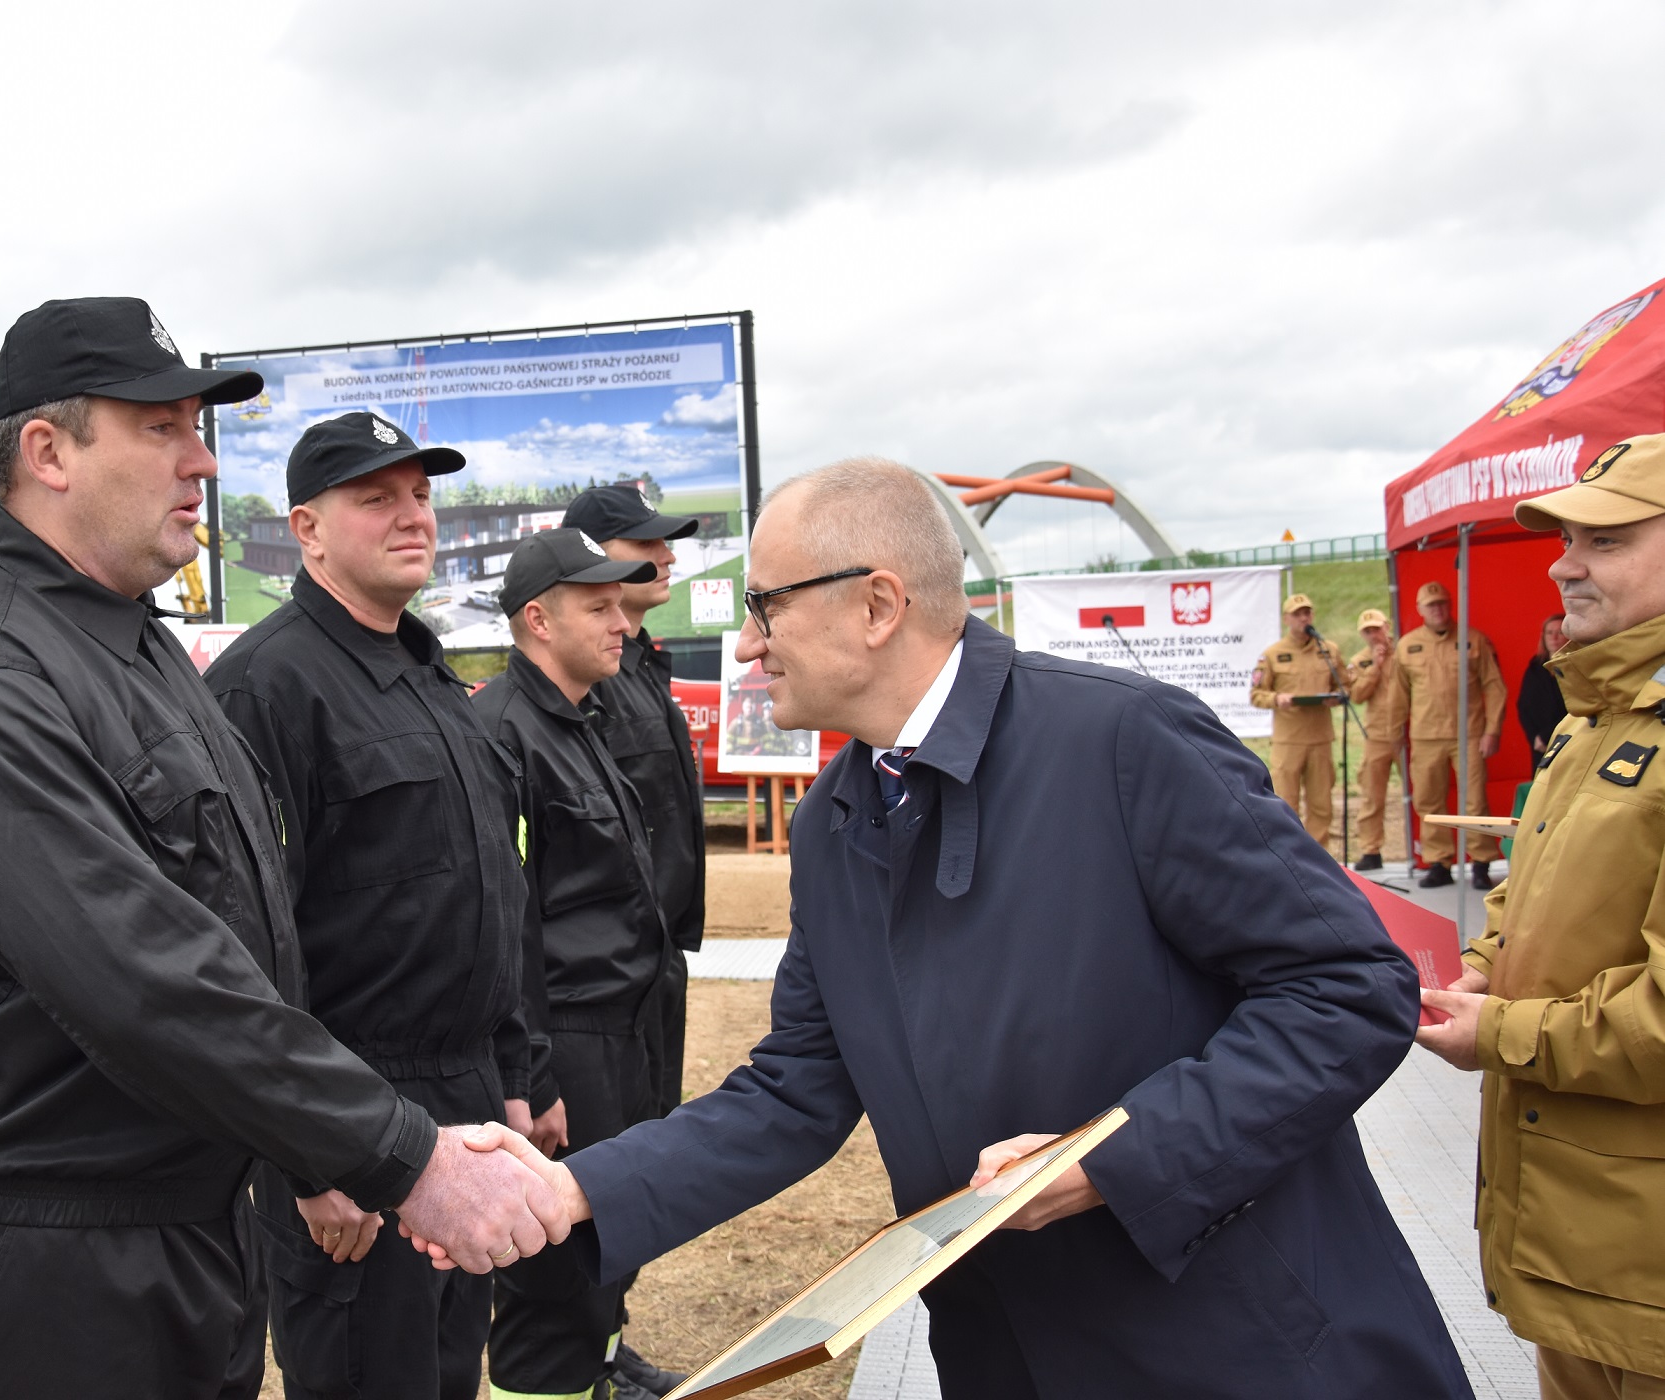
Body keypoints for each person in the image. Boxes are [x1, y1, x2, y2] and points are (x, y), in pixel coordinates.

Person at [443, 457, 1471, 1399]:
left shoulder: (1122, 741)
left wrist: (1112, 1160)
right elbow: (797, 1088)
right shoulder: (833, 822)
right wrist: (572, 1190)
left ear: (878, 604)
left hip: (1232, 1341)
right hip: (1006, 1349)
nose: (748, 643)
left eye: (766, 606)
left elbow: (1348, 986)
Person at [0, 298, 565, 1400]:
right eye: (162, 428)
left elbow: (246, 931)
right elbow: (143, 976)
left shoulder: (131, 647)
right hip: (41, 1267)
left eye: (199, 429)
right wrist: (394, 1154)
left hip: (180, 1229)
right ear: (49, 453)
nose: (205, 463)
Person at [204, 411, 536, 1400]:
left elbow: (487, 895)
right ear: (306, 530)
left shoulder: (427, 673)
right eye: (377, 497)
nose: (414, 516)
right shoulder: (267, 686)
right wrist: (310, 1158)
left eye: (422, 495)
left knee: (449, 1372)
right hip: (355, 1111)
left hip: (466, 1099)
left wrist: (508, 1079)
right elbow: (240, 947)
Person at [1416, 433, 1665, 1399]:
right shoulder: (1593, 714)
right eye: (1567, 539)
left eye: (1606, 541)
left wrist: (1499, 1033)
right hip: (1586, 1251)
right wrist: (1483, 966)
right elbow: (1533, 892)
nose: (1564, 565)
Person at [471, 529, 671, 1400]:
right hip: (570, 1043)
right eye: (599, 607)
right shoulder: (503, 733)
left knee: (607, 1250)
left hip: (624, 1035)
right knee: (554, 1283)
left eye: (622, 604)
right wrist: (535, 1076)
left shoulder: (580, 720)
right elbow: (503, 925)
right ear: (539, 620)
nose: (622, 622)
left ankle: (602, 1377)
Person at [558, 485, 708, 1399]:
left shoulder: (640, 663)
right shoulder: (587, 678)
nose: (666, 557)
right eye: (644, 542)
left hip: (654, 970)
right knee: (596, 1180)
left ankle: (610, 1345)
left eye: (668, 541)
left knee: (640, 1168)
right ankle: (584, 1357)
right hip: (600, 982)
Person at [1396, 579, 1508, 890]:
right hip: (1425, 736)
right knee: (1428, 801)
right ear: (1420, 609)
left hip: (1468, 734)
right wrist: (1395, 733)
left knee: (1475, 801)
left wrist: (1492, 730)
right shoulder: (1407, 646)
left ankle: (1481, 862)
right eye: (1431, 605)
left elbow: (1495, 687)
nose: (1438, 610)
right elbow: (1398, 695)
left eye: (1443, 603)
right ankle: (1439, 862)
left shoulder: (1473, 640)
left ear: (1450, 605)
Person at [1249, 593, 1345, 850]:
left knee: (1321, 804)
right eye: (1297, 614)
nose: (1304, 618)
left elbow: (1345, 686)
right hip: (1288, 741)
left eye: (1307, 613)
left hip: (1320, 739)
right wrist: (1277, 698)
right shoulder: (1272, 655)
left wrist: (1335, 698)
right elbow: (1256, 695)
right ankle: (1290, 856)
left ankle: (1320, 857)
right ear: (1286, 619)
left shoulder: (1328, 650)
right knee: (1285, 803)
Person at [1348, 608, 1408, 870]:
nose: (1374, 635)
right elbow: (1356, 695)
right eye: (1367, 631)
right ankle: (1371, 850)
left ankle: (1426, 851)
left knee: (1419, 793)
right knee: (1372, 795)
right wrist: (1375, 667)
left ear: (1387, 626)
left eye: (1377, 628)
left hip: (1407, 734)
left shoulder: (1405, 652)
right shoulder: (1360, 661)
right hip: (1377, 736)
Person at [1516, 612, 1571, 765]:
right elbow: (1524, 706)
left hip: (1568, 739)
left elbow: (1575, 708)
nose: (1554, 637)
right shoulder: (1535, 667)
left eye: (1560, 632)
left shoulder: (1575, 666)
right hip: (1540, 745)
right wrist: (1535, 737)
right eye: (1549, 632)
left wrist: (1546, 735)